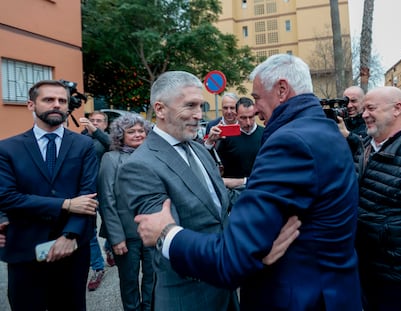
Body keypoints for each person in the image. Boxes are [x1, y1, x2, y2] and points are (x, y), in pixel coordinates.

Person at [135, 55, 363, 310]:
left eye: (256, 98)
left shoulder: (290, 142)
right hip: (195, 292)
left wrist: (167, 236)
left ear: (282, 89)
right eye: (190, 105)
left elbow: (232, 254)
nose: (253, 109)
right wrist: (258, 245)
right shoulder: (325, 130)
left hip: (299, 295)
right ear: (160, 109)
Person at [116, 71, 299, 311]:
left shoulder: (200, 149)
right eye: (190, 106)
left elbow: (221, 205)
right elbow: (166, 235)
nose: (199, 115)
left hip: (226, 289)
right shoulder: (139, 166)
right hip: (189, 296)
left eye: (201, 106)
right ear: (160, 109)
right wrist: (249, 256)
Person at [0, 80, 99, 311]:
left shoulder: (84, 145)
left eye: (62, 101)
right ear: (30, 105)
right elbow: (6, 198)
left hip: (72, 251)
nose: (56, 105)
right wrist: (65, 204)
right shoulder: (7, 149)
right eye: (48, 100)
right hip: (25, 249)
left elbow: (88, 196)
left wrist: (70, 236)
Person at [348, 86, 401, 311]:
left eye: (371, 108)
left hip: (396, 279)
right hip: (363, 269)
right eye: (364, 109)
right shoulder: (365, 147)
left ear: (397, 109)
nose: (363, 114)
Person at [98, 113, 154, 311]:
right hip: (126, 234)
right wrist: (116, 237)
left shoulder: (153, 156)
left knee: (153, 280)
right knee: (129, 283)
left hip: (153, 231)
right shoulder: (111, 159)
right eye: (131, 131)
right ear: (120, 135)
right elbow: (107, 200)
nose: (138, 135)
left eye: (141, 131)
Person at [79, 111, 113, 291]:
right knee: (90, 231)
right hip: (87, 192)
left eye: (99, 121)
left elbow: (113, 145)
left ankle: (109, 248)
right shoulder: (80, 138)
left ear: (105, 124)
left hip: (106, 190)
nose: (94, 123)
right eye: (92, 120)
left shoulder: (107, 138)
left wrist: (96, 131)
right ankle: (97, 268)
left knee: (110, 224)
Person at [205, 97, 264, 190]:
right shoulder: (226, 136)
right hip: (234, 192)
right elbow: (211, 163)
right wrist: (209, 142)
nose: (248, 123)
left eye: (251, 117)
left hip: (260, 189)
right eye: (243, 118)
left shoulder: (265, 134)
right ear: (236, 116)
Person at [338, 86, 367, 153]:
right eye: (346, 101)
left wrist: (348, 135)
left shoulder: (371, 122)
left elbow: (368, 148)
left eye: (353, 101)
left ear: (363, 102)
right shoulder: (340, 122)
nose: (349, 105)